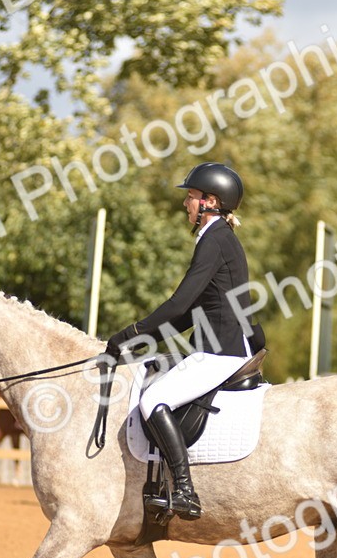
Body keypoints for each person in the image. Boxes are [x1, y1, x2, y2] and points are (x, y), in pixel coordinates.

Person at [104, 162, 264, 521]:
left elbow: (179, 303)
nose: (185, 204)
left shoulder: (215, 239)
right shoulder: (217, 236)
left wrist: (131, 333)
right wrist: (138, 341)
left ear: (210, 201)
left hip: (221, 350)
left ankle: (185, 491)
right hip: (221, 343)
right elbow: (189, 314)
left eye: (190, 197)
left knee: (153, 400)